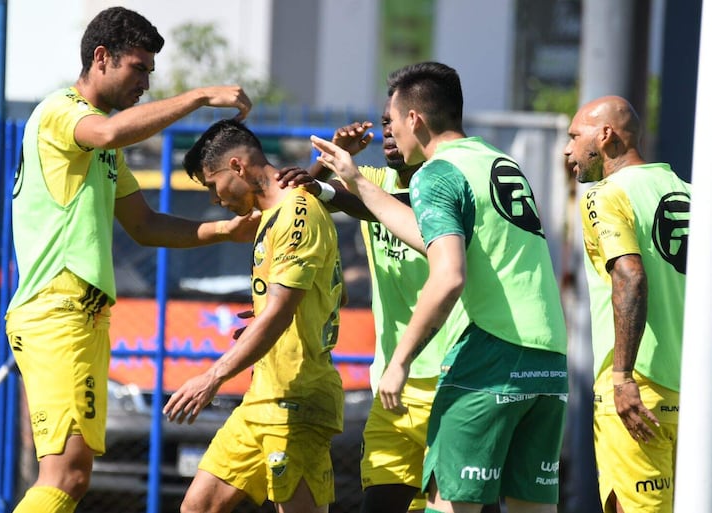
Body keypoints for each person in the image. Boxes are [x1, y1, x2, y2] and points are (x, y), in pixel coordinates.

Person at [5, 8, 258, 513]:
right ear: (102, 58)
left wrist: (223, 232)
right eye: (138, 68)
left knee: (73, 476)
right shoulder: (62, 112)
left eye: (149, 72)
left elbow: (145, 226)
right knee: (64, 475)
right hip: (57, 311)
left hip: (82, 316)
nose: (145, 82)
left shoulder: (103, 148)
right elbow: (108, 133)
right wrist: (200, 96)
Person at [312, 61, 568, 513]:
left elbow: (447, 275)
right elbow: (420, 231)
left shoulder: (438, 172)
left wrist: (400, 360)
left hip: (491, 355)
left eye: (391, 121)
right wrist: (352, 181)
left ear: (415, 119)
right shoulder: (497, 161)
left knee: (449, 506)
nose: (389, 133)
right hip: (549, 361)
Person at [276, 107, 499, 513]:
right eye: (383, 124)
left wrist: (345, 184)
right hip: (392, 384)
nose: (388, 132)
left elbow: (367, 202)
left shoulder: (447, 183)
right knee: (380, 503)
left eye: (395, 122)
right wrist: (328, 161)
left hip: (452, 377)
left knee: (463, 505)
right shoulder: (372, 180)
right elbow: (303, 196)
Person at [164, 118, 345, 513]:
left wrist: (212, 377)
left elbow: (280, 313)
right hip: (260, 398)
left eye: (212, 186)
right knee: (197, 507)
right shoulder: (273, 215)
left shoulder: (299, 214)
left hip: (296, 399)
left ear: (236, 167)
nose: (216, 199)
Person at [564, 95, 689, 513]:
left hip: (639, 394)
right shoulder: (689, 192)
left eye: (574, 136)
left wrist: (622, 378)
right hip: (693, 393)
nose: (568, 150)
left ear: (605, 135)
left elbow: (630, 276)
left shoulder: (605, 194)